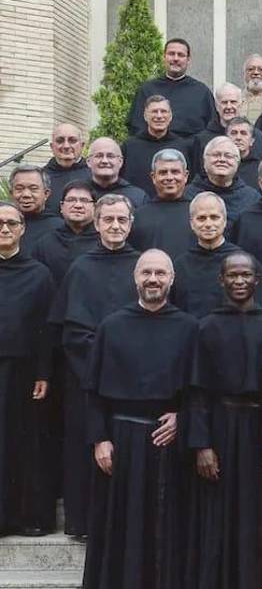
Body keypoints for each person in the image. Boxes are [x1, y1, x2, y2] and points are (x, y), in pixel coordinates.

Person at [82, 249, 198, 589]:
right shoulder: (111, 326)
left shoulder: (189, 327)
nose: (153, 279)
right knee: (121, 525)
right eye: (147, 272)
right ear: (135, 278)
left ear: (171, 280)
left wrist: (182, 417)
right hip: (121, 441)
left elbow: (198, 390)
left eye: (161, 273)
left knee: (168, 526)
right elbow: (92, 390)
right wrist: (100, 439)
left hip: (169, 441)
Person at [185, 251, 262, 589]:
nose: (239, 281)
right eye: (233, 275)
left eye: (245, 275)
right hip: (220, 426)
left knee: (258, 515)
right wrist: (202, 445)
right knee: (217, 514)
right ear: (221, 280)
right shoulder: (206, 326)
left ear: (257, 280)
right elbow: (197, 391)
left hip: (257, 430)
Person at [48, 194, 140, 538]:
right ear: (97, 223)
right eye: (108, 220)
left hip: (135, 381)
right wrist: (102, 367)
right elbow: (72, 332)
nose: (115, 226)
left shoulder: (142, 266)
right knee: (86, 450)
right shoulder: (81, 268)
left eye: (122, 220)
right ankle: (85, 523)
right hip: (87, 378)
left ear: (131, 225)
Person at [0, 201, 56, 536]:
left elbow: (47, 328)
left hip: (23, 374)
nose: (4, 229)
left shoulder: (39, 274)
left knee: (23, 444)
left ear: (23, 229)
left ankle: (24, 518)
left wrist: (44, 372)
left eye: (11, 223)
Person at [171, 192, 262, 318]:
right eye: (201, 218)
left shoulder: (246, 264)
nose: (208, 224)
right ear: (192, 223)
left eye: (214, 217)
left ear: (224, 221)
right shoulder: (180, 266)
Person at [127, 38, 215, 137]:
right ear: (164, 57)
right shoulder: (147, 90)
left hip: (191, 150)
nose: (176, 58)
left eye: (181, 55)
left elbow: (211, 128)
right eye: (171, 54)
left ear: (188, 60)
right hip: (154, 147)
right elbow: (136, 126)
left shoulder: (202, 92)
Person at [191, 83, 262, 177]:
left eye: (233, 102)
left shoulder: (258, 136)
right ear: (216, 106)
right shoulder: (202, 140)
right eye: (224, 102)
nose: (229, 107)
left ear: (241, 104)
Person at [130, 148, 195, 259]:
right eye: (163, 172)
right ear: (153, 177)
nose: (169, 177)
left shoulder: (197, 213)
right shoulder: (138, 216)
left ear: (186, 176)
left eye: (175, 172)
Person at [184, 136, 259, 232]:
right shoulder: (187, 196)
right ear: (204, 161)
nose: (222, 160)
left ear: (237, 163)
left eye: (228, 156)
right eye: (216, 155)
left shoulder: (252, 198)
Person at [31, 180, 99, 285]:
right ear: (62, 207)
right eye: (71, 200)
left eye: (84, 200)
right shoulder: (45, 244)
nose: (78, 205)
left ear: (95, 207)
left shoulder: (104, 243)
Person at [120, 95, 192, 193]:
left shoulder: (183, 147)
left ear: (170, 116)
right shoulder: (129, 147)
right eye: (154, 112)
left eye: (163, 111)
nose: (159, 116)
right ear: (145, 116)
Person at [8, 164, 62, 255]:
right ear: (11, 193)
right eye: (19, 189)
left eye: (33, 189)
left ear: (46, 193)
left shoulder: (60, 228)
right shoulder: (3, 226)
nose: (26, 195)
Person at [87, 137, 150, 207]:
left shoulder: (138, 197)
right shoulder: (79, 193)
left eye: (110, 156)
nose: (105, 161)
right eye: (99, 156)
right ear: (89, 161)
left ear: (120, 162)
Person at [43, 123, 91, 214]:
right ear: (52, 147)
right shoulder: (40, 177)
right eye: (60, 141)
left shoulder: (95, 176)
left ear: (82, 146)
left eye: (72, 140)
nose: (66, 146)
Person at [226, 116, 262, 188]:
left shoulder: (261, 168)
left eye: (243, 133)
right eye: (234, 133)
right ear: (226, 138)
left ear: (252, 141)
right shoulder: (221, 163)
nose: (238, 138)